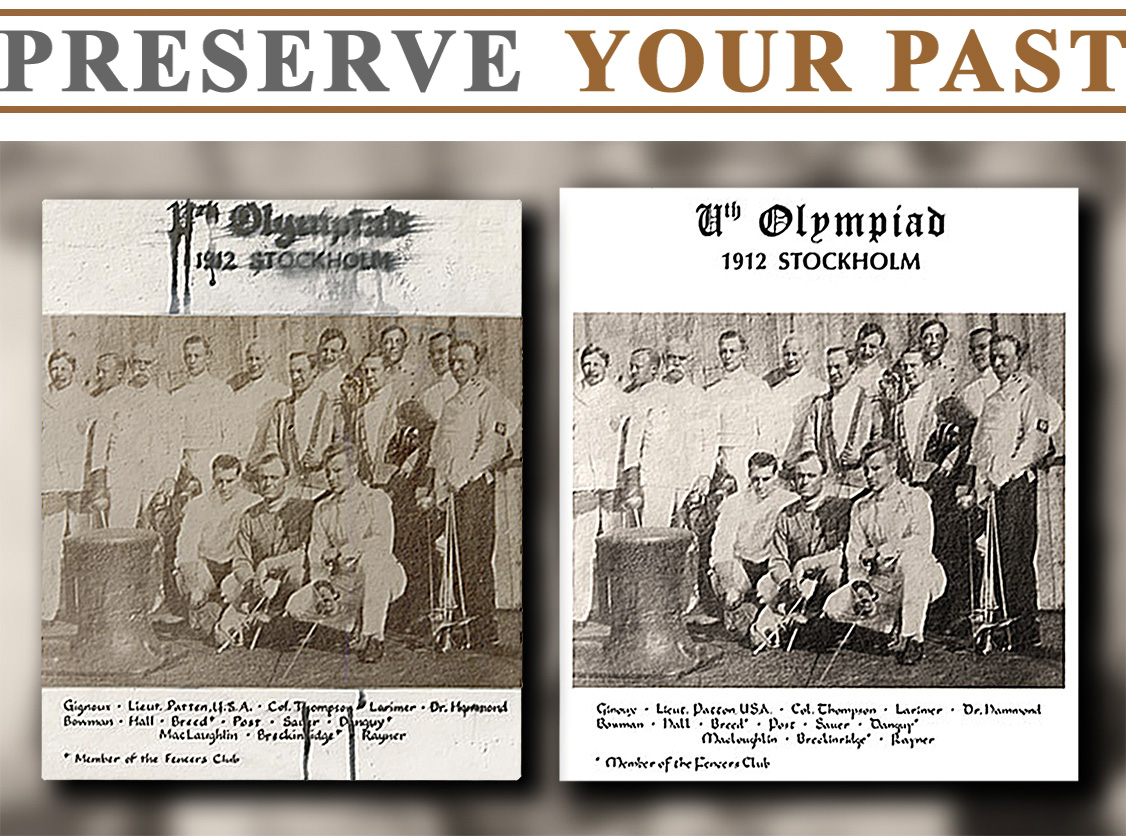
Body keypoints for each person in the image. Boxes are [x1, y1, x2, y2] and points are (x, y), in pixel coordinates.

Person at [970, 333, 1062, 651]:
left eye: (1004, 357)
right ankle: (1006, 624)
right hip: (993, 486)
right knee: (995, 555)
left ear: (1018, 358)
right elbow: (981, 446)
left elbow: (1034, 442)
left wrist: (1005, 472)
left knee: (1016, 556)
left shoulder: (1030, 392)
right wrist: (980, 482)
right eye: (993, 357)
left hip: (1017, 484)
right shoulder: (993, 397)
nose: (997, 363)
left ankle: (1024, 630)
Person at [824, 439, 947, 665]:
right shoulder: (861, 507)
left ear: (893, 467)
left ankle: (912, 637)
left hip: (921, 578)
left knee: (911, 561)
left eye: (876, 468)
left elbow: (921, 543)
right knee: (833, 607)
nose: (870, 475)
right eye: (866, 470)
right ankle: (889, 624)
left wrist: (882, 550)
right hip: (882, 584)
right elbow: (854, 557)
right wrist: (862, 590)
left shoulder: (916, 498)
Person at [431, 339, 521, 647]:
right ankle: (463, 620)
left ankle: (482, 626)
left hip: (475, 487)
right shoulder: (452, 402)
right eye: (453, 361)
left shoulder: (490, 396)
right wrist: (441, 485)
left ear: (477, 363)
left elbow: (492, 445)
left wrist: (465, 475)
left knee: (475, 556)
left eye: (463, 362)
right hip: (452, 489)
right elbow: (439, 450)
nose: (457, 367)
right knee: (455, 556)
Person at [286, 445, 406, 663]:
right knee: (296, 605)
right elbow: (317, 556)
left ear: (354, 468)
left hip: (383, 576)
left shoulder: (376, 499)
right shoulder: (323, 509)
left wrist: (342, 551)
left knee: (372, 560)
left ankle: (373, 636)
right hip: (344, 583)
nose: (331, 477)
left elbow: (382, 543)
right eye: (328, 472)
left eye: (338, 471)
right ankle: (351, 623)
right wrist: (324, 590)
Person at [709, 452, 796, 641]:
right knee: (726, 593)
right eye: (755, 479)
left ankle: (764, 613)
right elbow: (721, 547)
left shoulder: (789, 501)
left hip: (771, 565)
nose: (760, 485)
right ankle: (740, 608)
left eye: (766, 479)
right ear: (749, 477)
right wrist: (729, 586)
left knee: (765, 607)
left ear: (776, 476)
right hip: (744, 564)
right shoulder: (734, 503)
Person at [94, 344, 180, 529]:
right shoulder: (114, 397)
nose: (142, 368)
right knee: (120, 534)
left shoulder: (165, 400)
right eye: (137, 362)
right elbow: (99, 443)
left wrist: (170, 476)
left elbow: (174, 443)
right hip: (122, 479)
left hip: (154, 479)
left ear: (155, 366)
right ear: (130, 365)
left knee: (153, 538)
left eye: (147, 363)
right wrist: (100, 482)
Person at [175, 454, 258, 636]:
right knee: (186, 585)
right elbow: (186, 549)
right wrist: (195, 587)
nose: (224, 487)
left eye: (230, 481)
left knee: (232, 597)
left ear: (239, 478)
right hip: (208, 565)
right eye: (219, 481)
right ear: (213, 478)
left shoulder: (252, 502)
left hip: (235, 566)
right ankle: (206, 605)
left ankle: (226, 610)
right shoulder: (198, 505)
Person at [572, 343, 627, 623]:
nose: (591, 369)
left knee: (614, 545)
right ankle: (578, 611)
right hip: (581, 481)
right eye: (587, 364)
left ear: (606, 365)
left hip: (610, 482)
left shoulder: (618, 398)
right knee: (580, 548)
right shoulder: (571, 396)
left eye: (596, 364)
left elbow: (624, 443)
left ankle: (615, 610)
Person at [225, 453, 315, 618]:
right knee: (230, 586)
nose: (268, 483)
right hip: (258, 583)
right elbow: (241, 559)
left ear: (285, 480)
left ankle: (276, 617)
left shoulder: (303, 509)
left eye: (274, 478)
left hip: (288, 580)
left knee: (297, 574)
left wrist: (269, 566)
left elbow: (305, 554)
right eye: (263, 478)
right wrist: (251, 582)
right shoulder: (249, 516)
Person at [41, 350, 93, 621]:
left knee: (82, 544)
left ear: (73, 369)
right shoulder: (40, 400)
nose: (59, 373)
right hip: (49, 483)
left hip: (78, 484)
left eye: (63, 368)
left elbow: (90, 445)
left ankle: (83, 609)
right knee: (49, 546)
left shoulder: (85, 402)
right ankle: (47, 610)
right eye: (54, 368)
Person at [798, 346, 879, 496]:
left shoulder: (869, 402)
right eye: (829, 368)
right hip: (828, 486)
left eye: (838, 367)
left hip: (860, 486)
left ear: (852, 366)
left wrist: (862, 456)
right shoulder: (819, 405)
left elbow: (879, 443)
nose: (833, 373)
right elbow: (808, 440)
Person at [264, 351, 338, 498]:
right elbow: (271, 444)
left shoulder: (331, 406)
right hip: (290, 489)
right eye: (292, 372)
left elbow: (342, 445)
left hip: (322, 487)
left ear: (314, 371)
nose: (295, 377)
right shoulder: (282, 408)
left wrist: (323, 457)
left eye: (300, 371)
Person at [707, 329, 769, 487]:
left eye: (732, 351)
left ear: (743, 353)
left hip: (747, 458)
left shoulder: (757, 387)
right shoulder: (712, 391)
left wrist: (760, 467)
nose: (727, 357)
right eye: (723, 352)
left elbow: (766, 432)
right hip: (719, 462)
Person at [171, 335, 232, 484]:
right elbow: (172, 437)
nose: (192, 361)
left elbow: (229, 433)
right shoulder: (177, 394)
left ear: (208, 357)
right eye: (188, 356)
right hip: (184, 464)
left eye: (197, 356)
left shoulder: (222, 391)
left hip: (213, 460)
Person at [762, 333, 827, 462]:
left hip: (804, 460)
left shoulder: (818, 388)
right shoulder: (775, 390)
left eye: (795, 354)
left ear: (804, 355)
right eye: (787, 355)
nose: (790, 359)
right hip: (778, 458)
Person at [345, 351, 402, 487]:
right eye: (366, 371)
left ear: (387, 371)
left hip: (396, 482)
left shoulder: (398, 403)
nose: (369, 376)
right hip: (368, 485)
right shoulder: (360, 411)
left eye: (374, 370)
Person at [885, 345, 940, 484]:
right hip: (908, 483)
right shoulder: (898, 408)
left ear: (926, 367)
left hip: (937, 480)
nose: (908, 372)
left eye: (913, 366)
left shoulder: (939, 400)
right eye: (905, 367)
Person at [228, 340, 288, 464]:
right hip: (242, 460)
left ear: (267, 359)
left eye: (258, 359)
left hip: (267, 461)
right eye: (250, 359)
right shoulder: (238, 394)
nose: (254, 363)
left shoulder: (281, 391)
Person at [959, 327, 1000, 419]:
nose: (976, 353)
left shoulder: (1013, 382)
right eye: (973, 350)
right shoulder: (968, 392)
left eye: (982, 347)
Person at [420, 331, 458, 423]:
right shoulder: (428, 394)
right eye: (432, 354)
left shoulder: (469, 386)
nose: (436, 357)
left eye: (441, 352)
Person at [920, 318, 960, 401]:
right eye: (927, 337)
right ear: (921, 341)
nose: (933, 341)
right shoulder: (915, 369)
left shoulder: (954, 369)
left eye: (938, 336)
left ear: (945, 341)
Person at [312, 327, 348, 408]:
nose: (328, 356)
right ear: (318, 350)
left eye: (333, 351)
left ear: (342, 355)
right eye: (324, 350)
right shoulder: (311, 378)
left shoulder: (344, 382)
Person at [381, 324, 418, 401]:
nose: (393, 346)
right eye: (388, 342)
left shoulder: (414, 373)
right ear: (381, 346)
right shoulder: (375, 372)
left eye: (398, 341)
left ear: (405, 345)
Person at [853, 321, 888, 394]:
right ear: (856, 345)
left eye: (872, 346)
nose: (866, 351)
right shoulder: (849, 372)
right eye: (863, 345)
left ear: (881, 350)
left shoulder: (882, 378)